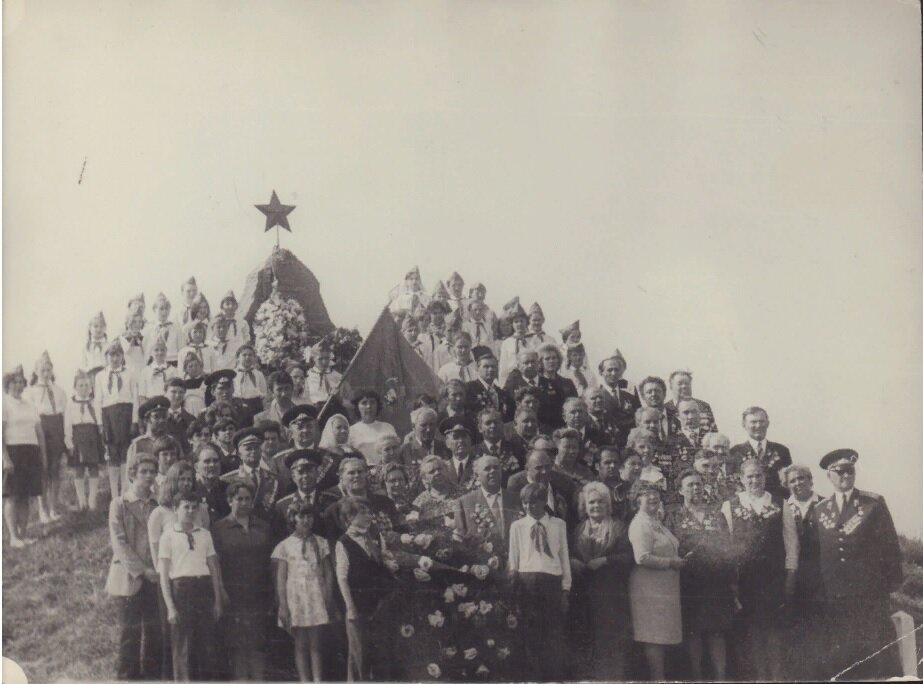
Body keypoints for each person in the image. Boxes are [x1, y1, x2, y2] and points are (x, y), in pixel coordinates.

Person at [813, 449, 903, 680]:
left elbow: (890, 545)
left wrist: (890, 584)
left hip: (869, 590)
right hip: (835, 593)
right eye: (839, 471)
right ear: (829, 476)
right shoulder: (820, 509)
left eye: (849, 470)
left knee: (874, 645)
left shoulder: (872, 503)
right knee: (842, 649)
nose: (845, 475)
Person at [720, 458, 798, 681]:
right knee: (751, 632)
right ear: (742, 479)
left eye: (758, 475)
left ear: (765, 477)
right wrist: (732, 582)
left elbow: (791, 543)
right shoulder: (730, 505)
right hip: (744, 580)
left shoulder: (781, 504)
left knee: (773, 631)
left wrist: (790, 575)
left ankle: (777, 676)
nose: (754, 480)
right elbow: (727, 545)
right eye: (749, 476)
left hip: (773, 579)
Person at [666, 470, 736, 681]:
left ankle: (720, 677)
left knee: (717, 632)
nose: (695, 489)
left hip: (716, 582)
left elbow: (728, 550)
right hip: (688, 582)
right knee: (694, 632)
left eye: (698, 484)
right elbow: (670, 549)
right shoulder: (673, 516)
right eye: (690, 485)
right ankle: (697, 677)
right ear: (680, 490)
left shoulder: (717, 514)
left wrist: (732, 583)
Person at [158, 490, 226, 681]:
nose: (190, 511)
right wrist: (171, 607)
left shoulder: (204, 534)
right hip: (181, 590)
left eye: (194, 507)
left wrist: (218, 600)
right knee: (183, 646)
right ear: (175, 509)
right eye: (185, 507)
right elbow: (163, 574)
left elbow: (214, 568)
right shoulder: (168, 536)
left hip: (204, 589)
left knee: (207, 644)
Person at [569, 481, 634, 680]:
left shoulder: (619, 527)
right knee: (587, 642)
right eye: (591, 503)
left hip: (611, 596)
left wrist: (605, 560)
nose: (596, 506)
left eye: (600, 502)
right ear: (585, 506)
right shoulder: (579, 529)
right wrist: (573, 561)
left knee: (612, 644)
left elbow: (630, 557)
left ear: (608, 505)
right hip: (584, 596)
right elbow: (570, 553)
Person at [105, 455, 161, 680]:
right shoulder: (120, 504)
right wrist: (142, 569)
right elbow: (120, 543)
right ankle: (127, 676)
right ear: (132, 475)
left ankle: (152, 673)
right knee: (130, 631)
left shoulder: (158, 504)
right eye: (143, 472)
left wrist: (156, 570)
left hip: (155, 576)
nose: (148, 476)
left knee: (154, 629)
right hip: (130, 576)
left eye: (152, 472)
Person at [507, 482, 571, 681]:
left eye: (533, 503)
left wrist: (566, 587)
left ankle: (553, 676)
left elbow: (564, 557)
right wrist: (513, 586)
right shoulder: (517, 526)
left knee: (552, 633)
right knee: (530, 633)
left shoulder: (558, 525)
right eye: (525, 503)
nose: (528, 507)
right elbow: (513, 559)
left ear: (544, 502)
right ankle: (534, 677)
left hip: (552, 582)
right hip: (527, 583)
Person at [212, 481, 273, 681]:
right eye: (239, 499)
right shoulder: (219, 528)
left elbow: (270, 561)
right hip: (234, 595)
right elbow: (216, 564)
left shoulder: (263, 526)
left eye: (248, 499)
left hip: (259, 595)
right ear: (230, 501)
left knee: (257, 645)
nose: (244, 503)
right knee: (238, 647)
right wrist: (221, 592)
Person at [334, 496, 400, 681]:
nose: (369, 515)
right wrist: (350, 607)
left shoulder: (374, 535)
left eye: (369, 512)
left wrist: (389, 563)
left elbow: (384, 557)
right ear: (349, 518)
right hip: (358, 603)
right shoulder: (343, 543)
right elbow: (342, 578)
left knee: (378, 648)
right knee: (359, 652)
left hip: (378, 601)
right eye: (363, 512)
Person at [273, 500, 339, 682]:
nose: (306, 520)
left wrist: (328, 595)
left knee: (316, 643)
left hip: (316, 596)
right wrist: (283, 605)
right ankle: (304, 680)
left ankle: (318, 679)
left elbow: (327, 572)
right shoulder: (284, 546)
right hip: (296, 599)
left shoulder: (320, 542)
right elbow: (281, 578)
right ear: (293, 518)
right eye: (301, 516)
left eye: (309, 516)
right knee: (300, 643)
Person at [628, 487, 685, 681]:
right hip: (649, 589)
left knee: (660, 636)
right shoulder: (640, 524)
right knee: (653, 637)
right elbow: (642, 557)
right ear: (637, 501)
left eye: (656, 496)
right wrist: (670, 562)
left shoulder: (655, 523)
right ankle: (657, 679)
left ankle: (659, 678)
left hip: (664, 588)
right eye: (646, 495)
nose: (653, 498)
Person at [780, 463, 826, 681]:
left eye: (801, 479)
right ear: (787, 485)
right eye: (792, 481)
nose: (798, 484)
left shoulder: (826, 504)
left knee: (817, 626)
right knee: (791, 624)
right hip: (792, 576)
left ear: (810, 480)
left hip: (819, 576)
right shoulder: (783, 507)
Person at [4, 364, 48, 542]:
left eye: (21, 382)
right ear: (8, 384)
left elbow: (39, 433)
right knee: (12, 496)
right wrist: (5, 459)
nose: (19, 385)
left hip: (31, 452)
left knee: (26, 496)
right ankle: (14, 538)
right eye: (15, 382)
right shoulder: (4, 403)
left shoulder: (30, 405)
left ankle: (23, 535)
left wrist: (43, 456)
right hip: (13, 451)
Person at [24, 351, 68, 522]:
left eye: (48, 369)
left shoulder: (59, 391)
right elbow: (31, 415)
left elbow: (64, 413)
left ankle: (53, 508)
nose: (46, 373)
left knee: (55, 469)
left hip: (56, 426)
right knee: (43, 469)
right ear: (36, 371)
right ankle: (42, 510)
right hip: (40, 427)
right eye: (42, 370)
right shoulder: (31, 392)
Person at [95, 340, 139, 499]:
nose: (114, 359)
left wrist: (134, 421)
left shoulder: (130, 373)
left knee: (125, 454)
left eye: (118, 355)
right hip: (109, 414)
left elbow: (135, 398)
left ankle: (125, 493)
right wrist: (100, 424)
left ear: (122, 356)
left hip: (126, 413)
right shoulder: (100, 376)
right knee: (113, 453)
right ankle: (114, 495)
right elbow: (98, 401)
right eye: (111, 355)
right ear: (106, 357)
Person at [728, 406, 792, 499]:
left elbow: (789, 483)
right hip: (747, 507)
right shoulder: (735, 452)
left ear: (768, 424)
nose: (758, 426)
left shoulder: (782, 451)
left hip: (777, 504)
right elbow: (731, 485)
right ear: (744, 424)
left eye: (761, 421)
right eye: (753, 422)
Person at [64, 369, 104, 512]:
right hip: (78, 436)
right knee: (79, 468)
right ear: (75, 387)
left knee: (93, 467)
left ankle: (92, 499)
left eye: (87, 385)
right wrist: (69, 442)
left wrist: (101, 435)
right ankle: (82, 500)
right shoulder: (71, 403)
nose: (84, 388)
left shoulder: (95, 402)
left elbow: (99, 419)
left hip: (93, 435)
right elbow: (67, 424)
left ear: (91, 387)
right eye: (81, 385)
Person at [507, 449, 574, 526]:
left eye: (547, 466)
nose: (544, 471)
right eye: (538, 468)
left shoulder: (563, 482)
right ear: (527, 469)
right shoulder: (516, 485)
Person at [273, 449, 326, 539]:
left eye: (309, 471)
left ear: (317, 473)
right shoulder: (282, 506)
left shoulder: (330, 501)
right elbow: (279, 538)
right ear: (293, 477)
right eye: (300, 472)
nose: (305, 476)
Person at [597, 349, 640, 447]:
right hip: (605, 444)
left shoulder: (629, 396)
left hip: (627, 444)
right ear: (601, 372)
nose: (613, 373)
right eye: (609, 370)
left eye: (616, 370)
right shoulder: (596, 395)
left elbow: (638, 417)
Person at [472, 408, 525, 485]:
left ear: (503, 425)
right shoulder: (473, 453)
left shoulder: (517, 449)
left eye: (496, 422)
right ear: (480, 428)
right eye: (488, 423)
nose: (493, 426)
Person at [399, 406, 444, 496]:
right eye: (423, 425)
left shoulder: (444, 448)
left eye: (431, 425)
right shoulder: (404, 451)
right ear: (413, 427)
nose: (428, 429)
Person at [464, 346, 516, 421]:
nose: (490, 370)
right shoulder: (469, 389)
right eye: (486, 366)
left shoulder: (503, 394)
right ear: (477, 368)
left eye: (493, 366)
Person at [534, 343, 578, 431]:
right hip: (544, 429)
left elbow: (575, 405)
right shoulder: (536, 384)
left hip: (565, 428)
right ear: (541, 362)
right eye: (547, 359)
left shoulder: (567, 383)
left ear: (559, 360)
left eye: (554, 358)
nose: (551, 361)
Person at [347, 390, 399, 462]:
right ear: (357, 407)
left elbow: (396, 452)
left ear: (377, 405)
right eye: (364, 403)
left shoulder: (387, 427)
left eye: (372, 402)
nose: (369, 406)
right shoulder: (351, 431)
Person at [126, 396, 170, 481]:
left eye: (164, 416)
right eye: (156, 417)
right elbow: (130, 476)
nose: (161, 420)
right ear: (147, 420)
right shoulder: (138, 444)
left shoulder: (172, 442)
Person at [411, 454, 461, 520]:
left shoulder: (462, 494)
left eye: (439, 469)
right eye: (432, 471)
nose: (437, 473)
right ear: (425, 478)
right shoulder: (419, 503)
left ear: (447, 469)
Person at [193, 442, 230, 524]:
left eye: (215, 461)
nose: (212, 465)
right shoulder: (192, 490)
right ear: (196, 467)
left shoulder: (229, 489)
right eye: (207, 461)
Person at [439, 416, 477, 492]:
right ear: (447, 443)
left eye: (464, 436)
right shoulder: (443, 468)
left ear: (470, 441)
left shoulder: (479, 464)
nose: (461, 440)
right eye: (455, 437)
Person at [497, 300, 530, 386]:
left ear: (526, 322)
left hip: (529, 378)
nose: (519, 324)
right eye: (516, 322)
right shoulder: (507, 343)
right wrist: (502, 386)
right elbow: (503, 368)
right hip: (512, 380)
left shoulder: (531, 340)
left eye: (521, 321)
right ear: (512, 324)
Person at [145, 293, 181, 367]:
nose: (164, 312)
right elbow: (147, 351)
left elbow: (181, 350)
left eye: (167, 308)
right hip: (155, 363)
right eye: (161, 309)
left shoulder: (175, 328)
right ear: (154, 309)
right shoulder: (149, 328)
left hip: (173, 363)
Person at [233, 344, 267, 425]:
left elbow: (264, 392)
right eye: (244, 355)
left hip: (255, 405)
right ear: (238, 358)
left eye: (250, 355)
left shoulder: (259, 374)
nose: (247, 357)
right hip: (239, 405)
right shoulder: (233, 374)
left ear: (254, 358)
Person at [303, 341, 342, 408]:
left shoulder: (338, 376)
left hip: (334, 409)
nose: (324, 362)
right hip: (313, 409)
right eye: (320, 359)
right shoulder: (307, 376)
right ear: (313, 359)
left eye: (327, 358)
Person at [139, 337, 178, 402]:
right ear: (151, 352)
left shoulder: (173, 370)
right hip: (150, 403)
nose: (159, 353)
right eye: (156, 350)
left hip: (167, 403)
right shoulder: (145, 371)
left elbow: (176, 390)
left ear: (166, 351)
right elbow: (141, 394)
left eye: (162, 350)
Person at [164, 378, 196, 456]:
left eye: (181, 392)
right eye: (173, 392)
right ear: (165, 393)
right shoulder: (160, 418)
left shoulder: (191, 419)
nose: (177, 396)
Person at [637, 376, 675, 441]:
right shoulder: (638, 420)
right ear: (643, 396)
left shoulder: (676, 416)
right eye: (649, 392)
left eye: (657, 391)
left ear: (664, 394)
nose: (653, 394)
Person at [179, 350, 209, 418]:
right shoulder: (183, 383)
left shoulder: (206, 381)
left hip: (202, 409)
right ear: (186, 369)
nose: (194, 368)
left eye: (196, 365)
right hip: (187, 410)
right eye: (190, 366)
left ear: (201, 367)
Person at [120, 312, 149, 380]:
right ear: (128, 323)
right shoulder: (123, 338)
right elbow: (126, 352)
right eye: (134, 322)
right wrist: (132, 340)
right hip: (128, 369)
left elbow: (146, 355)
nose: (137, 324)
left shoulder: (144, 338)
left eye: (140, 322)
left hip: (142, 369)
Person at [83, 311, 110, 376]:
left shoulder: (108, 345)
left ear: (105, 327)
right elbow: (83, 364)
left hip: (105, 376)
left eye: (101, 326)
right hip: (90, 375)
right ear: (90, 328)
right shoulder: (86, 346)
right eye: (96, 326)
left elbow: (109, 363)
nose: (99, 329)